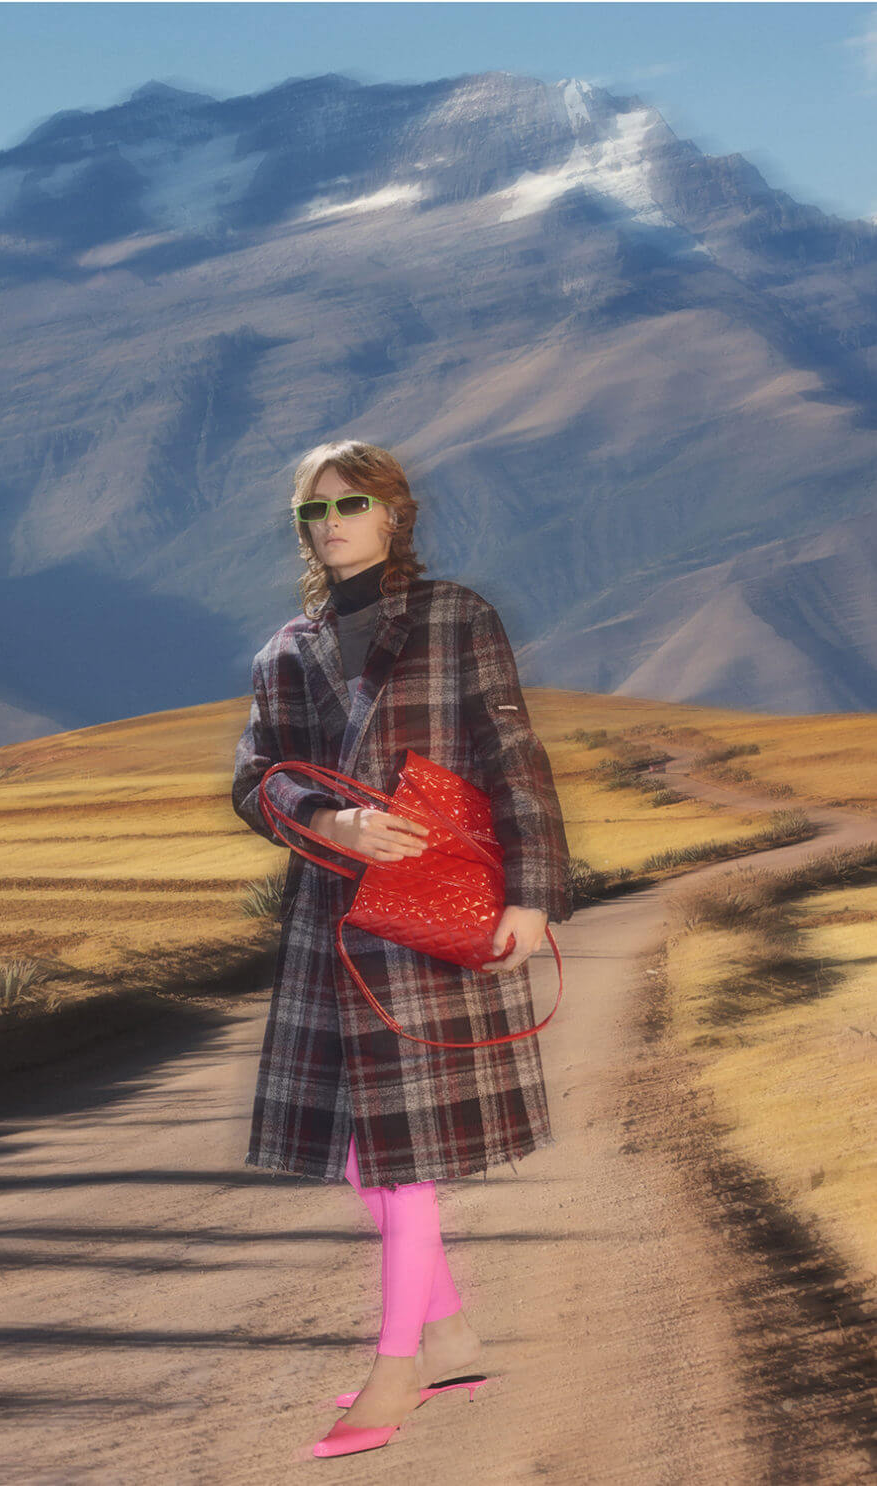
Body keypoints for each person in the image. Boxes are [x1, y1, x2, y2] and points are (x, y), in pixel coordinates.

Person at [231, 439, 573, 1459]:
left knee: (401, 1158)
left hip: (428, 917)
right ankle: (452, 1333)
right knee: (360, 1153)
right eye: (314, 510)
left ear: (394, 514)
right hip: (330, 922)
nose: (331, 523)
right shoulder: (284, 650)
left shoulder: (457, 616)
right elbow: (256, 778)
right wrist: (326, 822)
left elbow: (512, 753)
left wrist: (534, 893)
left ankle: (397, 1368)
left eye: (351, 503)